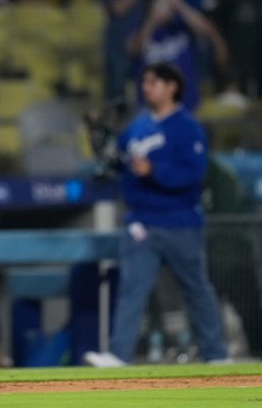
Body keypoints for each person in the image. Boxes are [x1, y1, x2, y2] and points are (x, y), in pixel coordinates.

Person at [84, 62, 230, 367]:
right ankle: (118, 355)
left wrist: (156, 171)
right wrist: (102, 139)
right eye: (145, 82)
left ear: (171, 86)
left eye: (153, 82)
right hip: (142, 222)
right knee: (131, 290)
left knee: (197, 289)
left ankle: (216, 355)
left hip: (180, 221)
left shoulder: (187, 126)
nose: (146, 88)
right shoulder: (138, 126)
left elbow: (194, 174)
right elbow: (116, 163)